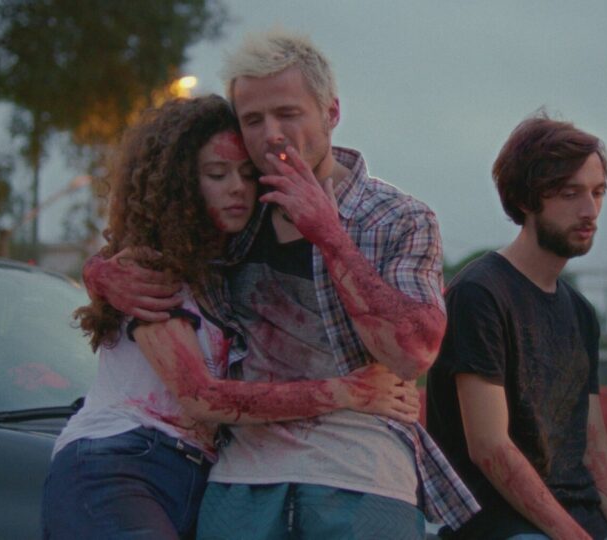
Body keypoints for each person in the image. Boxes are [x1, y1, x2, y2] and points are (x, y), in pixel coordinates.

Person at [81, 31, 478, 539]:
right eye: (253, 120)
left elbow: (413, 354)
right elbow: (151, 236)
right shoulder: (234, 212)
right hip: (243, 479)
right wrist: (100, 272)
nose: (271, 135)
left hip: (362, 474)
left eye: (288, 114)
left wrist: (329, 235)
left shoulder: (399, 217)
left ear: (331, 113)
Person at [42, 95, 419, 540]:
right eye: (217, 174)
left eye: (247, 173)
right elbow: (201, 396)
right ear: (182, 183)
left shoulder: (226, 265)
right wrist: (348, 391)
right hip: (120, 461)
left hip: (199, 476)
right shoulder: (151, 265)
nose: (238, 188)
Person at [426, 113, 607, 540]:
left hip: (577, 516)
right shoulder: (479, 294)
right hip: (499, 524)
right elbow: (489, 447)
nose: (590, 210)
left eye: (598, 192)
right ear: (526, 199)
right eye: (570, 193)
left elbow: (594, 444)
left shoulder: (580, 312)